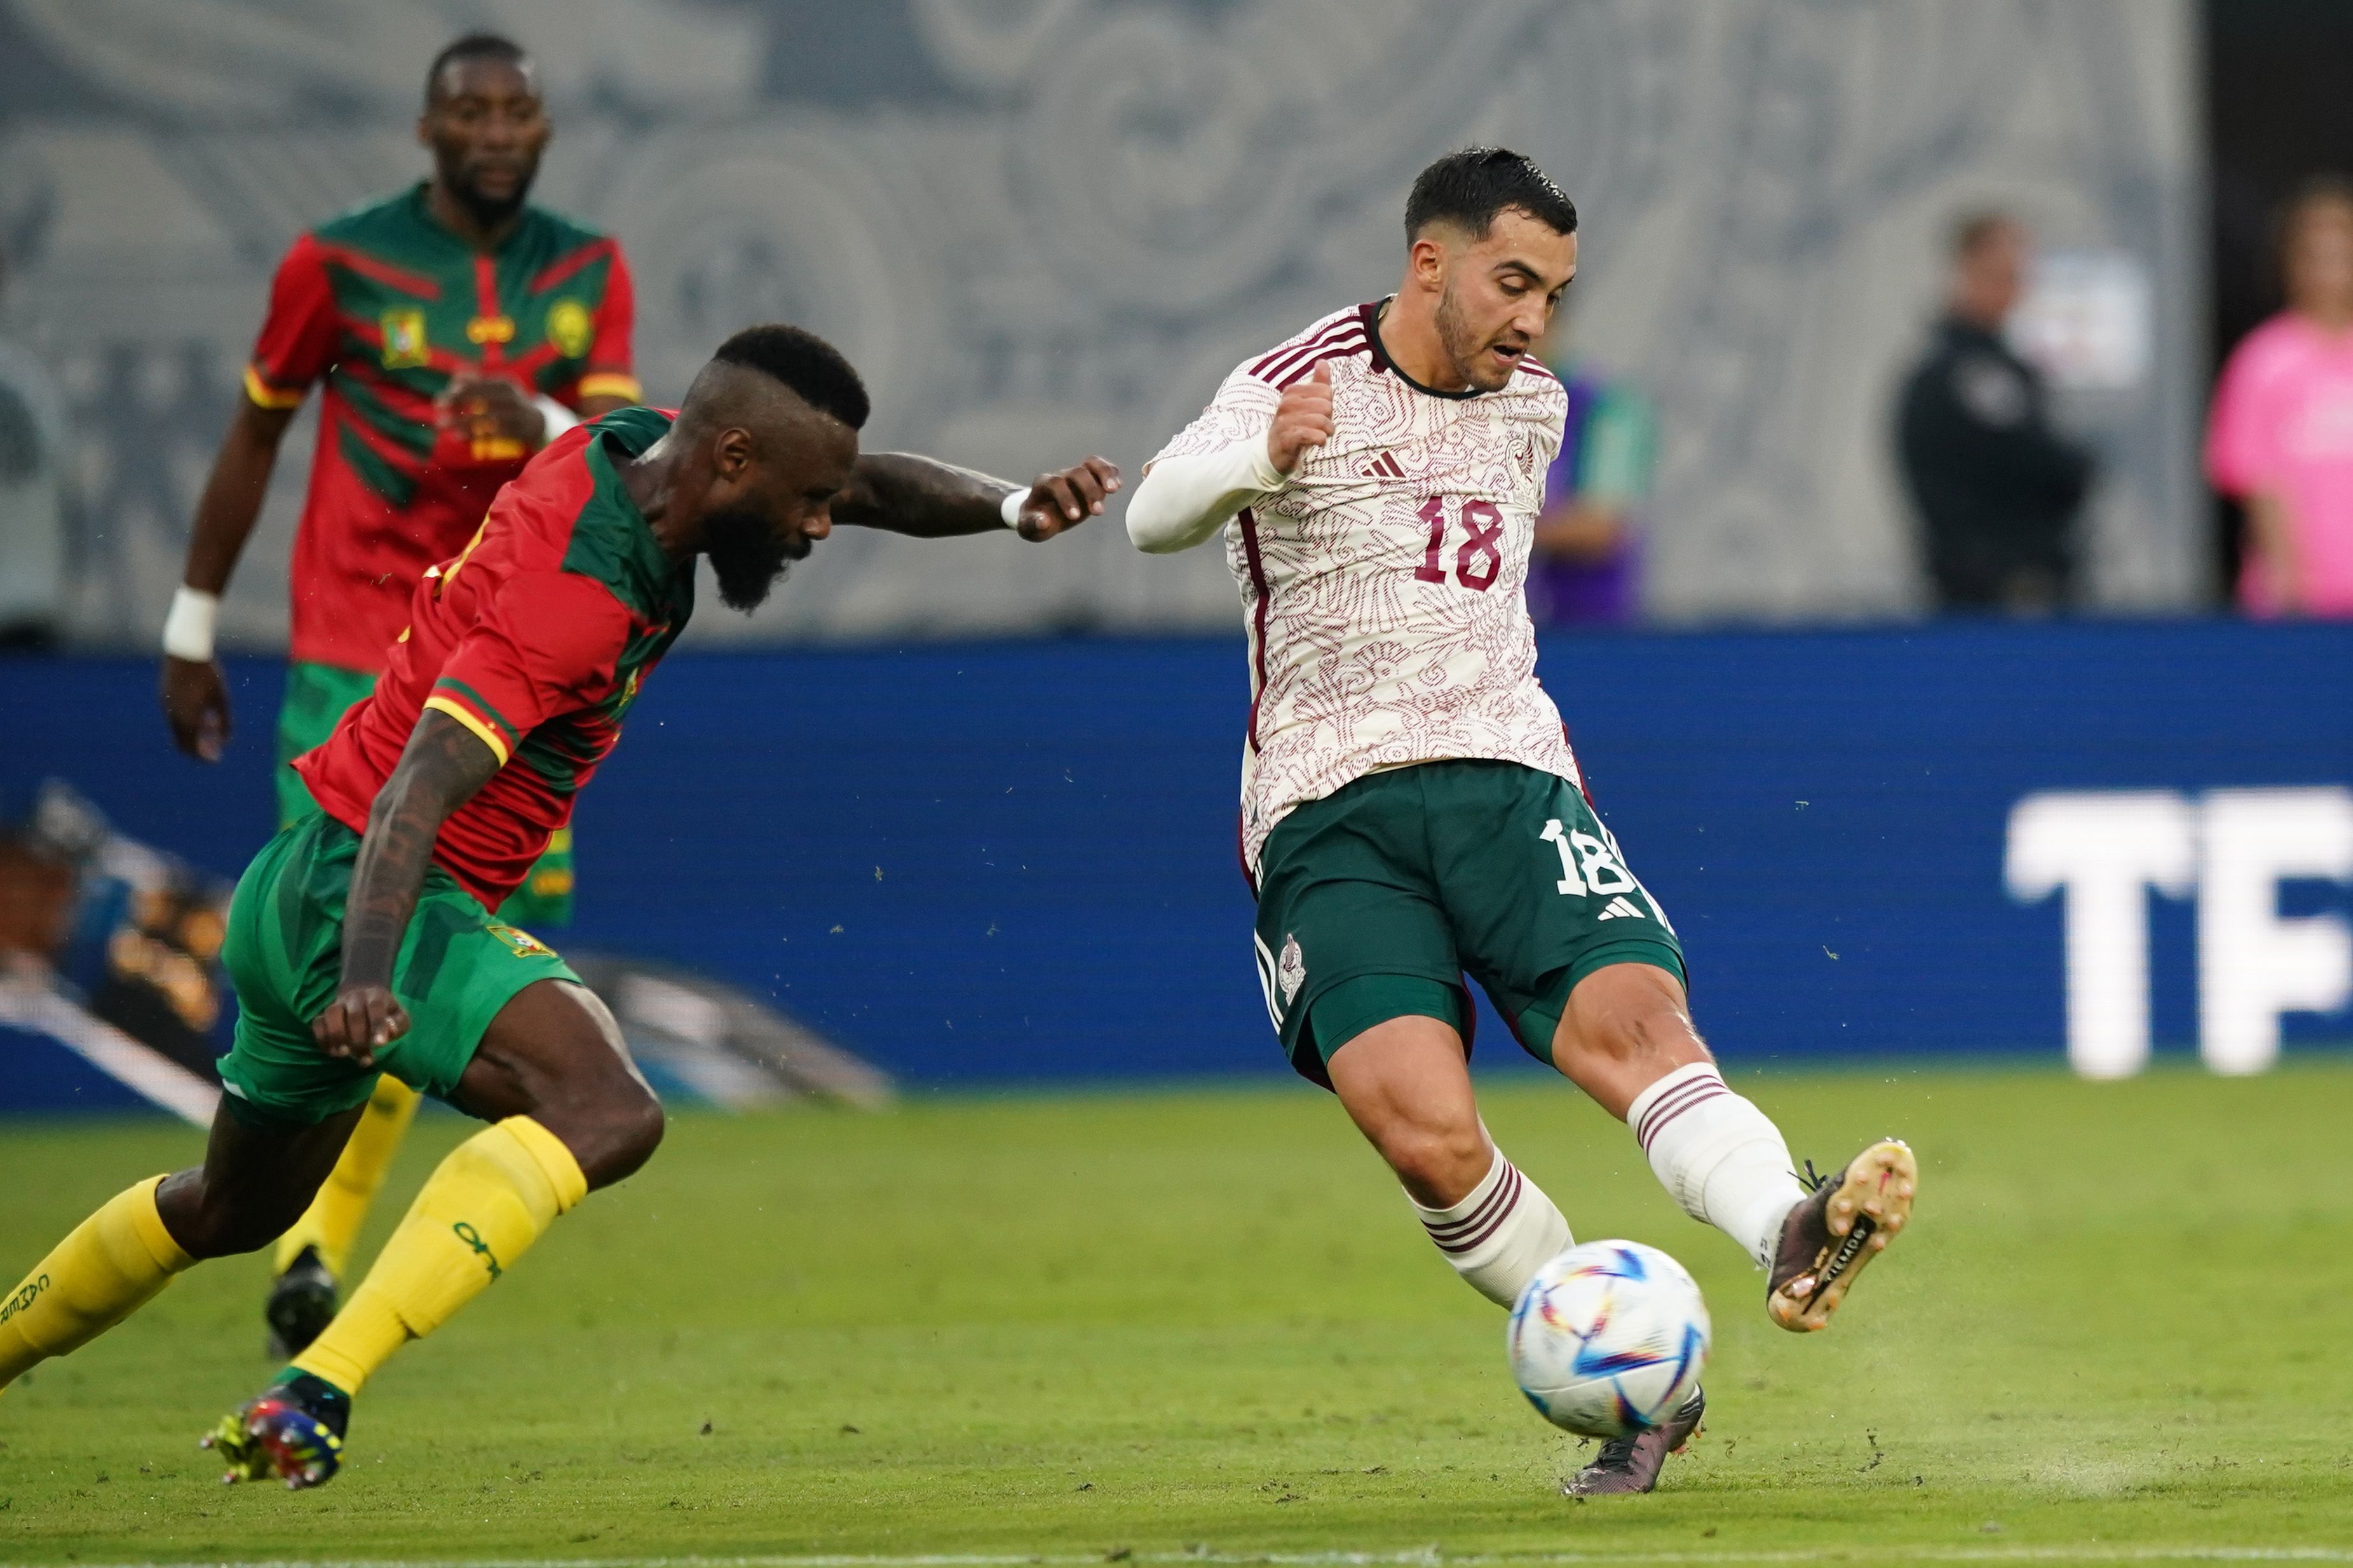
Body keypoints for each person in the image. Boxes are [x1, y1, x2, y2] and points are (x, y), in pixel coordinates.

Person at [0, 323, 1121, 1489]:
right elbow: (420, 786)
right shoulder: (575, 601)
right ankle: (314, 1388)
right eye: (806, 502)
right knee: (606, 1106)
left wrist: (1008, 509)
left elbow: (864, 480)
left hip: (294, 885)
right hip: (372, 892)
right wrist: (369, 972)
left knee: (228, 1205)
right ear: (730, 460)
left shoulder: (632, 448)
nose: (821, 526)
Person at [1122, 147, 1915, 1497]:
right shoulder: (1294, 378)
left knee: (1636, 1026)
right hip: (1328, 808)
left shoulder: (1533, 407)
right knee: (1421, 1127)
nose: (1535, 320)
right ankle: (1631, 1382)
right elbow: (1151, 518)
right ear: (1426, 262)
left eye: (1552, 292)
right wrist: (1257, 452)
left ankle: (1789, 1225)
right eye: (1512, 282)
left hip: (1507, 773)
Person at [156, 33, 643, 1358]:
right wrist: (193, 622)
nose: (496, 131)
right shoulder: (336, 263)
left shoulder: (587, 269)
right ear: (427, 131)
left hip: (513, 661)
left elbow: (624, 455)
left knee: (467, 945)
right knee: (355, 922)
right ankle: (308, 1237)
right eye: (470, 111)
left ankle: (314, 1238)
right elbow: (255, 431)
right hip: (356, 658)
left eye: (518, 111)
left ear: (545, 129)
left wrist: (532, 414)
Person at [1895, 212, 2094, 612]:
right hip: (1999, 592)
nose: (2016, 289)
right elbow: (2040, 465)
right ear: (1966, 273)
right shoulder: (1968, 374)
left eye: (2019, 275)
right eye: (2003, 274)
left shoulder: (1989, 367)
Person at [2207, 176, 2353, 616]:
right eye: (2313, 256)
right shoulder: (2262, 361)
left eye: (2339, 255)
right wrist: (2289, 585)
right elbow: (2257, 479)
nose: (2327, 271)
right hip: (2296, 606)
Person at [1524, 313, 1655, 626]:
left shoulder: (1607, 409)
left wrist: (1483, 527)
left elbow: (1601, 527)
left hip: (1586, 630)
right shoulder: (1475, 408)